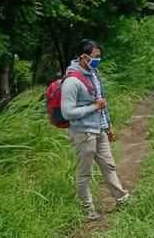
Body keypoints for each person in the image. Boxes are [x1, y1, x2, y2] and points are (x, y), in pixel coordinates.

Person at [61, 39, 129, 220]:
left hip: (99, 129)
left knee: (109, 165)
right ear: (84, 57)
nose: (98, 60)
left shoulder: (94, 73)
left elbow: (101, 100)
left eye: (99, 56)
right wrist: (94, 108)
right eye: (95, 57)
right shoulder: (72, 81)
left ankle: (122, 199)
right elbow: (67, 112)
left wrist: (107, 125)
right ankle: (87, 208)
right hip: (83, 132)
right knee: (85, 172)